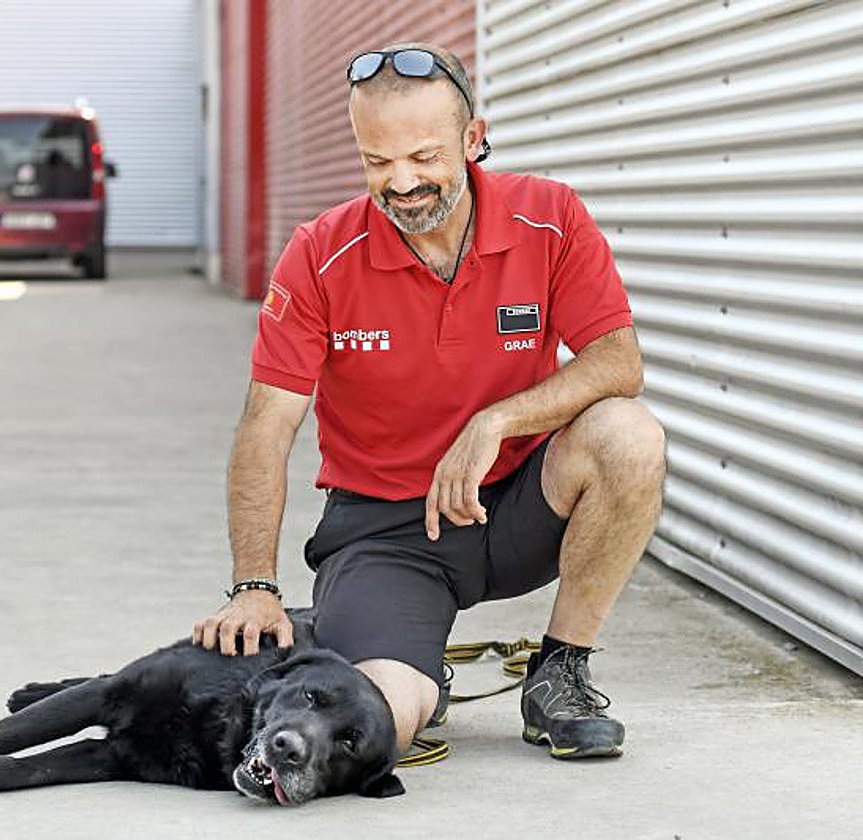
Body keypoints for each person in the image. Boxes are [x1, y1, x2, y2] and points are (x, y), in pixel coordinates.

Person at [193, 41, 666, 761]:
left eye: (423, 158)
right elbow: (267, 426)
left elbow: (617, 361)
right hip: (384, 531)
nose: (402, 183)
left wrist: (498, 419)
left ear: (474, 139)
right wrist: (254, 584)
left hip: (514, 504)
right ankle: (386, 652)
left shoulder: (549, 216)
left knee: (628, 435)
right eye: (377, 163)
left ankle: (561, 672)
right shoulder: (318, 255)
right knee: (379, 728)